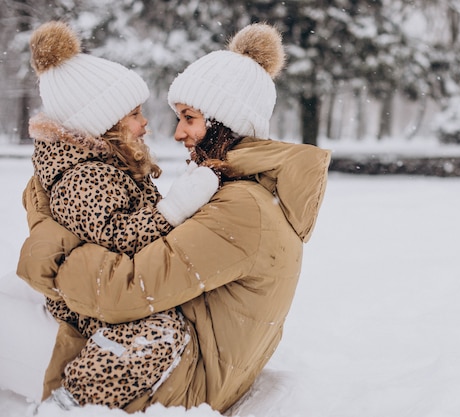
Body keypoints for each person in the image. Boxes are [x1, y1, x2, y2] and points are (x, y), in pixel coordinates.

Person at [17, 22, 330, 413]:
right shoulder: (242, 193)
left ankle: (61, 409)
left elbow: (128, 290)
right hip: (174, 363)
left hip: (178, 384)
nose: (177, 132)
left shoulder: (242, 209)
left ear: (224, 122)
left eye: (189, 117)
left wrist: (55, 253)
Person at [24, 21, 219, 409]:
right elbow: (118, 234)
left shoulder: (108, 165)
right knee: (157, 332)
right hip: (89, 294)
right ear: (104, 125)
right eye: (134, 114)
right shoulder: (83, 175)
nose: (144, 123)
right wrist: (175, 209)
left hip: (114, 282)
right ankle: (72, 400)